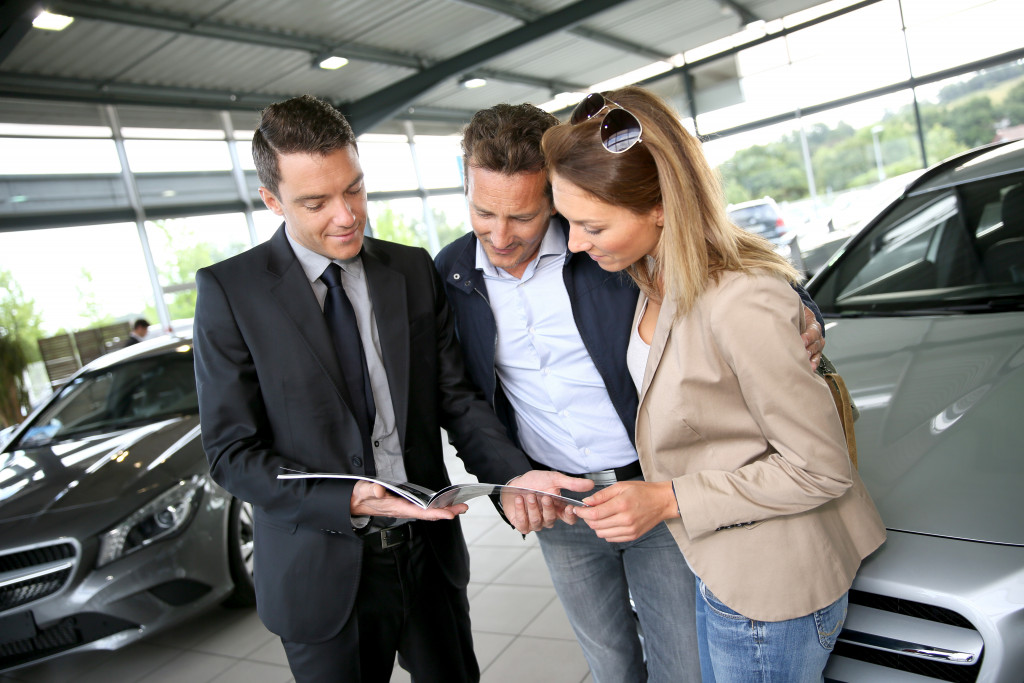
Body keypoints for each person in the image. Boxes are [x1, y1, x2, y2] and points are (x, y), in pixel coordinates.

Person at [192, 95, 591, 683]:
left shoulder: (408, 270)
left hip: (428, 556)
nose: (347, 215)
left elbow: (455, 398)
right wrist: (349, 499)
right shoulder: (231, 293)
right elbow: (231, 456)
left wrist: (513, 475)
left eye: (353, 189)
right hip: (321, 571)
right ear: (272, 201)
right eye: (316, 202)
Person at [434, 103, 827, 682]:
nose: (499, 235)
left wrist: (803, 314)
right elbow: (461, 397)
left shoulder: (605, 240)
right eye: (482, 211)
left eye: (522, 216)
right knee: (609, 664)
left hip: (653, 482)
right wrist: (510, 480)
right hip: (559, 504)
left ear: (557, 191)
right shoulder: (449, 275)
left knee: (684, 664)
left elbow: (713, 258)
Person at [542, 86, 886, 682]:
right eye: (567, 221)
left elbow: (820, 469)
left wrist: (667, 499)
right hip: (721, 565)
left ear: (660, 207)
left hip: (770, 590)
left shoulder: (740, 301)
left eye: (590, 224)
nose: (573, 242)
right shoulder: (652, 277)